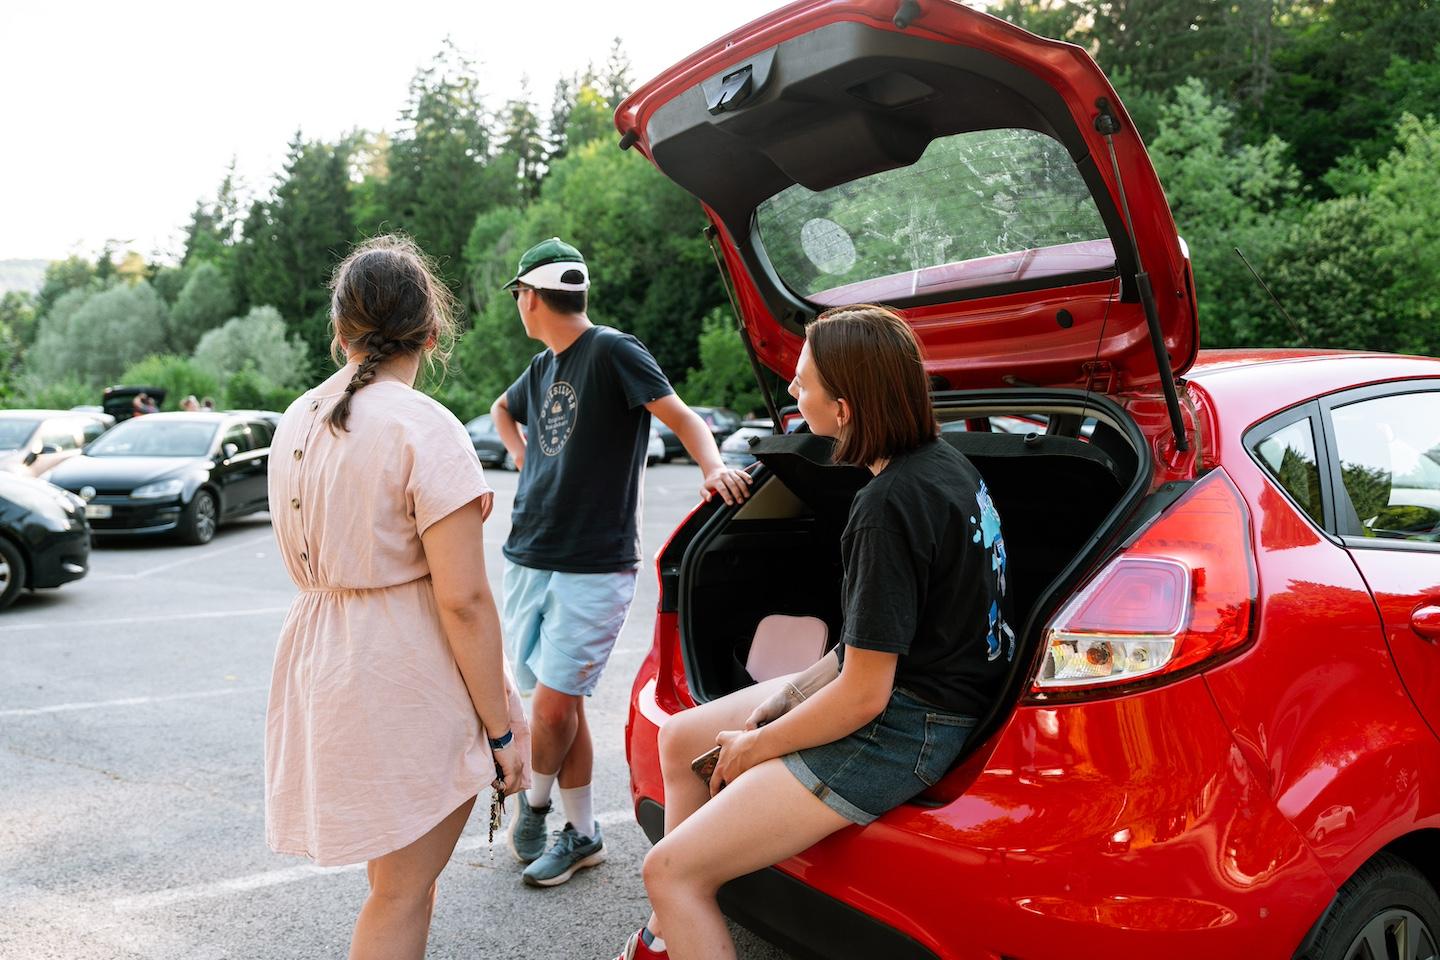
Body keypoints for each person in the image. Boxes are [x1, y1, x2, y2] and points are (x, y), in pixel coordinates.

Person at [613, 304, 1014, 960]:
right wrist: (782, 699)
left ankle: (680, 899)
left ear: (846, 408)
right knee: (685, 737)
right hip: (913, 695)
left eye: (802, 384)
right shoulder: (946, 464)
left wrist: (758, 746)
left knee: (668, 871)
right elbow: (862, 647)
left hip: (906, 729)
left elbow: (865, 697)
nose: (794, 395)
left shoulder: (885, 509)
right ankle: (672, 931)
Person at [265, 235, 531, 960]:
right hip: (404, 676)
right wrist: (503, 729)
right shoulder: (424, 426)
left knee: (396, 888)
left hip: (327, 668)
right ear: (432, 333)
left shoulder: (294, 418)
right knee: (401, 893)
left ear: (339, 333)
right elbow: (465, 601)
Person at [490, 237, 753, 888]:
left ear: (530, 296)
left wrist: (714, 464)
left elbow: (681, 416)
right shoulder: (540, 368)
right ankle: (582, 835)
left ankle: (538, 807)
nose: (519, 306)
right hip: (530, 553)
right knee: (562, 703)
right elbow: (501, 413)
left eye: (518, 296)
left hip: (594, 561)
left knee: (552, 710)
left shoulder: (612, 350)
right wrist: (529, 466)